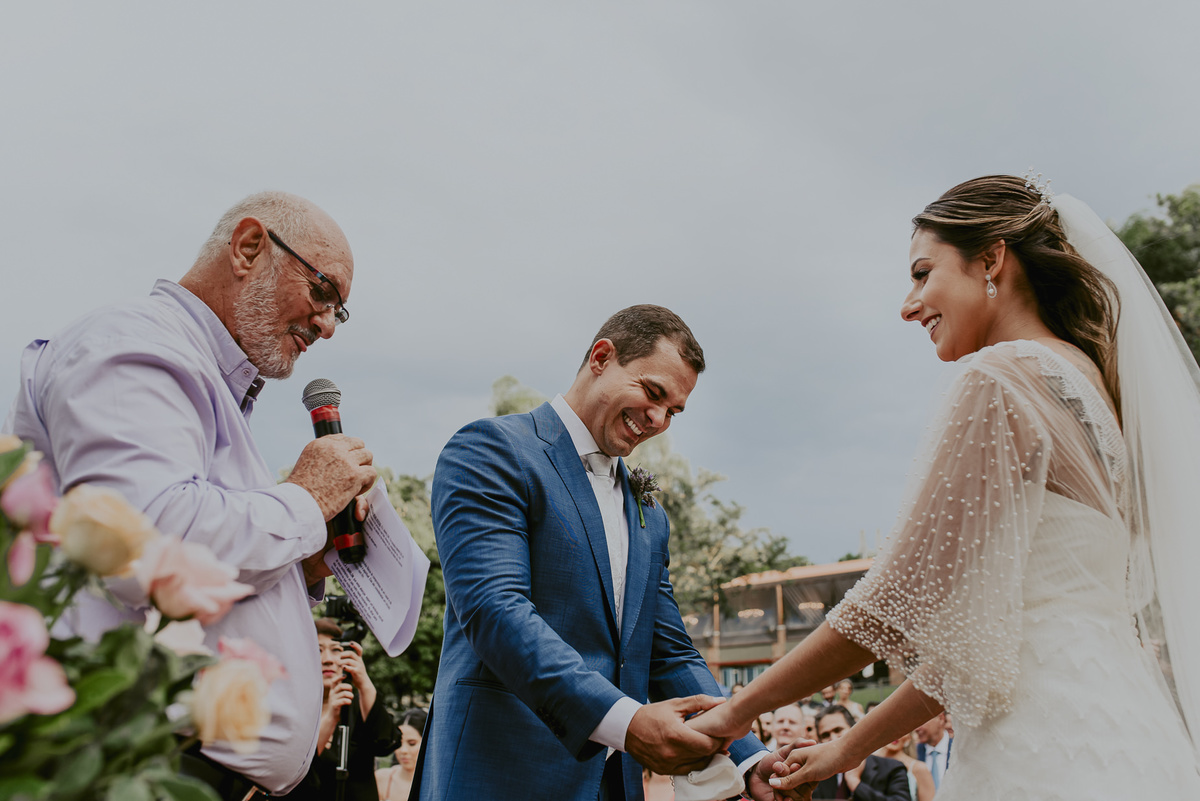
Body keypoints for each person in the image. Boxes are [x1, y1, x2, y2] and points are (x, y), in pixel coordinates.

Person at [688, 175, 1200, 799]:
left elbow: (900, 599)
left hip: (1038, 750)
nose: (908, 304)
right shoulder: (1096, 393)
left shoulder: (1002, 376)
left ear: (992, 258)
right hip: (1132, 740)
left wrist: (731, 715)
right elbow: (974, 655)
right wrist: (842, 750)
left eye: (923, 273)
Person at [3, 192, 377, 796]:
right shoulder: (135, 345)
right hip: (144, 769)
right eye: (322, 291)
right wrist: (307, 500)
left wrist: (305, 555)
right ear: (250, 247)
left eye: (340, 310)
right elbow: (144, 545)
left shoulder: (199, 380)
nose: (328, 325)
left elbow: (201, 551)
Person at [414, 305, 780, 800]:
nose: (657, 419)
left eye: (673, 411)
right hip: (499, 773)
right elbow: (494, 611)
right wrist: (628, 724)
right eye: (653, 393)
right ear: (602, 357)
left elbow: (668, 651)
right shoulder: (492, 451)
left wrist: (749, 755)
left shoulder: (649, 511)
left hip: (612, 787)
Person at [281, 619, 401, 800]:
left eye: (336, 650)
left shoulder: (358, 704)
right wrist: (330, 718)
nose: (327, 659)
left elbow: (387, 742)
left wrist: (364, 684)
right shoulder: (290, 708)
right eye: (317, 650)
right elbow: (291, 775)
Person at [810, 706, 908, 801]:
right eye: (825, 735)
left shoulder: (892, 769)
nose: (833, 738)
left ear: (854, 729)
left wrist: (855, 784)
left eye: (838, 730)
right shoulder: (818, 778)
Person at [376, 708, 427, 801]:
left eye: (412, 743)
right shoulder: (382, 778)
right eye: (399, 744)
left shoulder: (436, 784)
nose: (403, 750)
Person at [874, 732, 934, 801]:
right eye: (890, 728)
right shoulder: (867, 762)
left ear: (908, 738)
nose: (894, 735)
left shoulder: (919, 768)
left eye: (900, 730)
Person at [912, 713, 951, 791]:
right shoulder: (913, 753)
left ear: (941, 719)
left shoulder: (960, 750)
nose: (916, 729)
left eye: (920, 722)